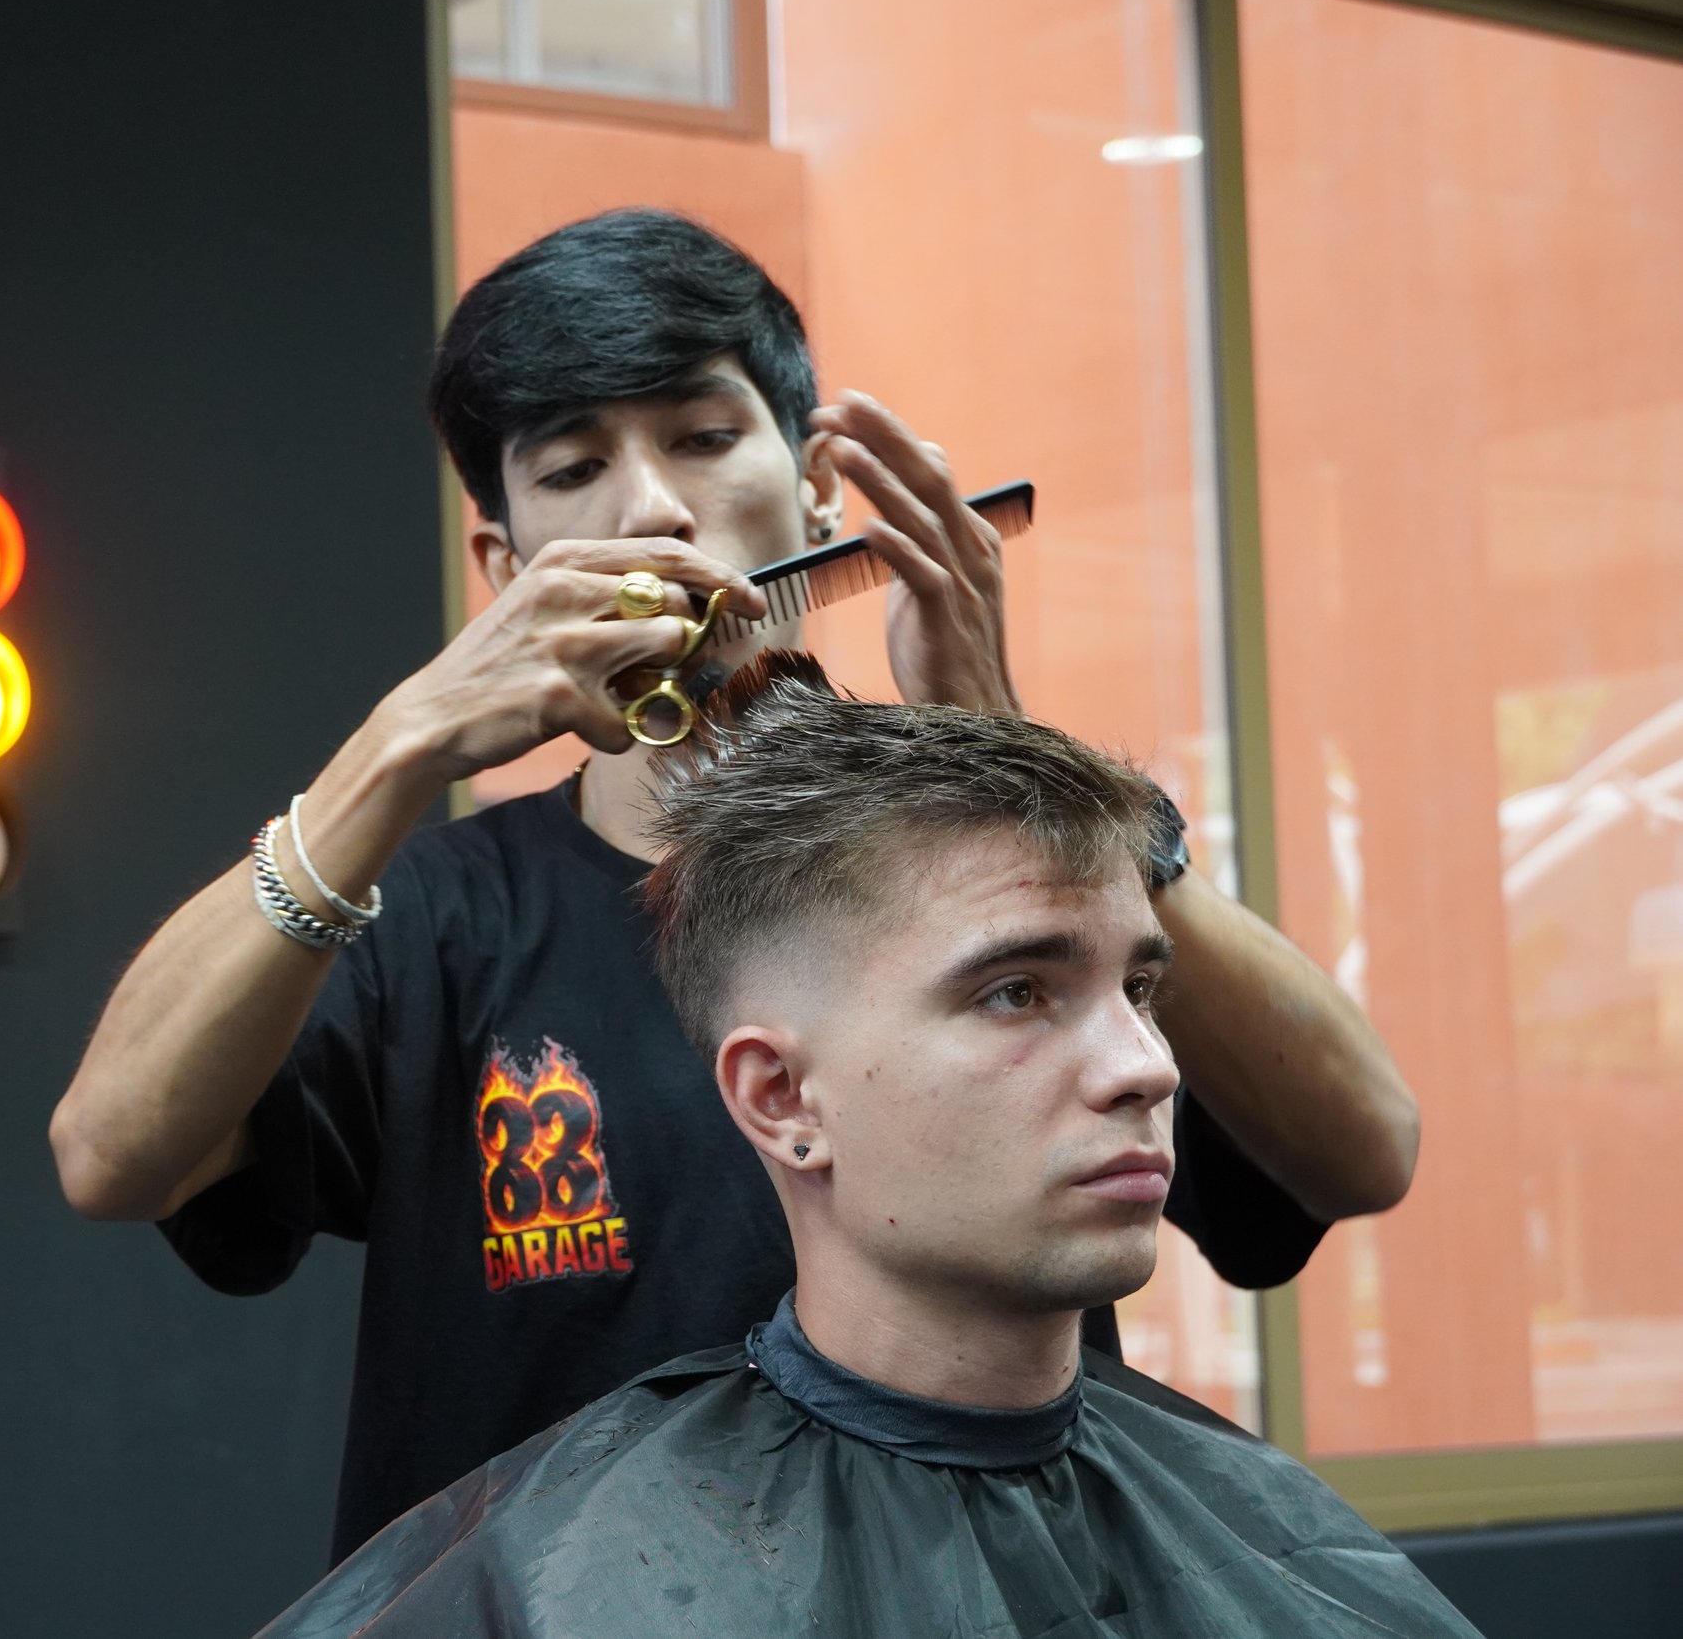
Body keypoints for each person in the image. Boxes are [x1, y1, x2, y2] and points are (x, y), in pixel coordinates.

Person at [48, 209, 1420, 1561]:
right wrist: (396, 748)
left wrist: (1022, 770)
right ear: (504, 561)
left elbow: (1362, 1146)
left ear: (818, 491)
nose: (653, 507)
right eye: (575, 466)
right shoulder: (435, 913)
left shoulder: (1014, 883)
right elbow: (110, 1154)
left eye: (705, 439)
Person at [252, 659, 1479, 1638]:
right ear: (782, 1094)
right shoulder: (558, 1583)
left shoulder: (1271, 1542)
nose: (1146, 1066)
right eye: (1014, 991)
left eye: (1139, 987)